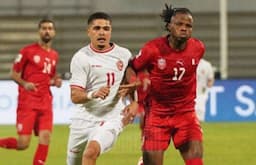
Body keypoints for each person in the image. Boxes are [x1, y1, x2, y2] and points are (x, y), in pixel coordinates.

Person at [131, 4, 205, 165]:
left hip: (186, 115)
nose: (184, 28)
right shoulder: (152, 49)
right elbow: (132, 66)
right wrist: (133, 96)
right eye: (179, 24)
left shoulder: (198, 48)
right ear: (169, 26)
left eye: (188, 26)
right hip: (158, 117)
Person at [66, 12, 138, 165]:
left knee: (90, 153)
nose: (102, 32)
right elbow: (75, 96)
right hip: (83, 119)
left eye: (106, 29)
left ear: (110, 31)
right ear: (89, 32)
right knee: (74, 162)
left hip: (112, 117)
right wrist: (93, 94)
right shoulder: (81, 58)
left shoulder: (124, 55)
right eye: (97, 28)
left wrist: (134, 102)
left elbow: (131, 82)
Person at [0, 18, 62, 165]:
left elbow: (49, 77)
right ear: (39, 31)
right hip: (28, 102)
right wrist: (24, 83)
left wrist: (55, 82)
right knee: (23, 144)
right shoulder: (27, 51)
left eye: (50, 28)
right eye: (44, 28)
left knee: (45, 137)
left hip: (45, 102)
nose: (47, 31)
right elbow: (14, 74)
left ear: (54, 32)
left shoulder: (54, 55)